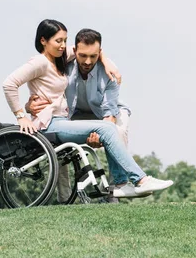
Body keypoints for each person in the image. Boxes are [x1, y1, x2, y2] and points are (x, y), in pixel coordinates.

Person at [2, 19, 173, 198]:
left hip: (69, 118)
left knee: (111, 127)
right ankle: (139, 181)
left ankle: (122, 184)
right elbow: (9, 84)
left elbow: (86, 52)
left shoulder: (61, 59)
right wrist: (21, 114)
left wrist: (106, 60)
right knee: (107, 129)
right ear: (43, 40)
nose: (62, 45)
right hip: (52, 122)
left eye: (64, 41)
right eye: (58, 41)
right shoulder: (41, 62)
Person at [25, 28, 134, 201]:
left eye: (94, 56)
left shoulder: (109, 71)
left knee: (117, 134)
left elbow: (109, 113)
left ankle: (115, 193)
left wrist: (101, 134)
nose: (88, 61)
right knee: (56, 141)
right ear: (74, 51)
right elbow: (46, 93)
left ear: (100, 53)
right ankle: (65, 199)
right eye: (83, 56)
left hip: (107, 114)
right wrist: (29, 106)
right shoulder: (62, 66)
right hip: (73, 115)